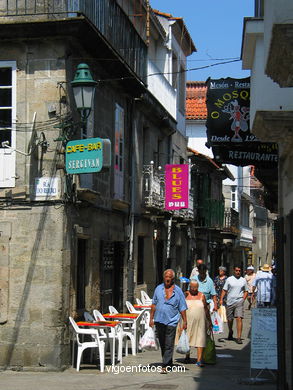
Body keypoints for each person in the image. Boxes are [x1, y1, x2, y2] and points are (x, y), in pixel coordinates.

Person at [149, 269, 187, 374]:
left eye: (170, 277)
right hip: (159, 319)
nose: (168, 278)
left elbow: (182, 307)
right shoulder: (158, 289)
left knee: (169, 343)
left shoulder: (178, 291)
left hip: (172, 320)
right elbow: (153, 304)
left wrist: (185, 321)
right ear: (164, 277)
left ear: (173, 278)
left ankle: (165, 365)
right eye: (166, 276)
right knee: (162, 343)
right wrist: (151, 318)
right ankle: (168, 362)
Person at [176, 280, 212, 367]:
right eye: (192, 287)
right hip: (187, 321)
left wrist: (209, 320)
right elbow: (179, 307)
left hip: (200, 321)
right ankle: (187, 356)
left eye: (195, 287)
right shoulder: (185, 295)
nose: (194, 289)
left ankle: (199, 360)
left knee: (200, 338)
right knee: (187, 337)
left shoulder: (202, 296)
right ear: (189, 286)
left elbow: (206, 309)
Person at [220, 265, 248, 344]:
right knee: (230, 319)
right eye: (236, 270)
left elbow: (246, 291)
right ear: (234, 271)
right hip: (230, 301)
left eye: (239, 271)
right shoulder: (229, 279)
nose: (238, 272)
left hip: (239, 301)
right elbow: (224, 290)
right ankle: (230, 331)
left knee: (239, 318)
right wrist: (221, 299)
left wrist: (243, 299)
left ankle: (239, 337)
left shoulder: (243, 280)